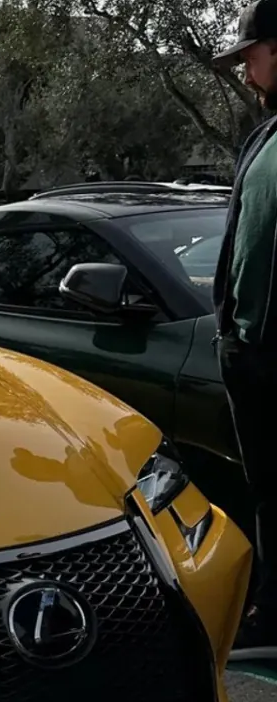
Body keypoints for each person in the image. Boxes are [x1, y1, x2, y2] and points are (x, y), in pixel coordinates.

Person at [214, 0, 277, 655]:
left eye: (251, 56)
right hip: (249, 351)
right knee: (267, 493)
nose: (246, 71)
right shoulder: (263, 138)